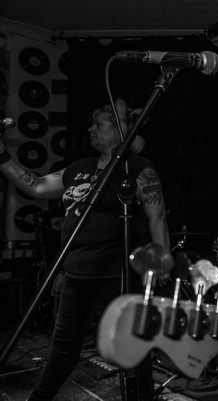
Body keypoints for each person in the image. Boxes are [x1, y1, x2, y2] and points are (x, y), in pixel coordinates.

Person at [0, 99, 170, 401]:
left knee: (132, 349)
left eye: (99, 124)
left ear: (119, 131)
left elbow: (157, 218)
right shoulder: (79, 169)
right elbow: (36, 186)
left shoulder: (138, 169)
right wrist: (2, 156)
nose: (91, 129)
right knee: (63, 346)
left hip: (119, 273)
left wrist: (159, 264)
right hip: (78, 271)